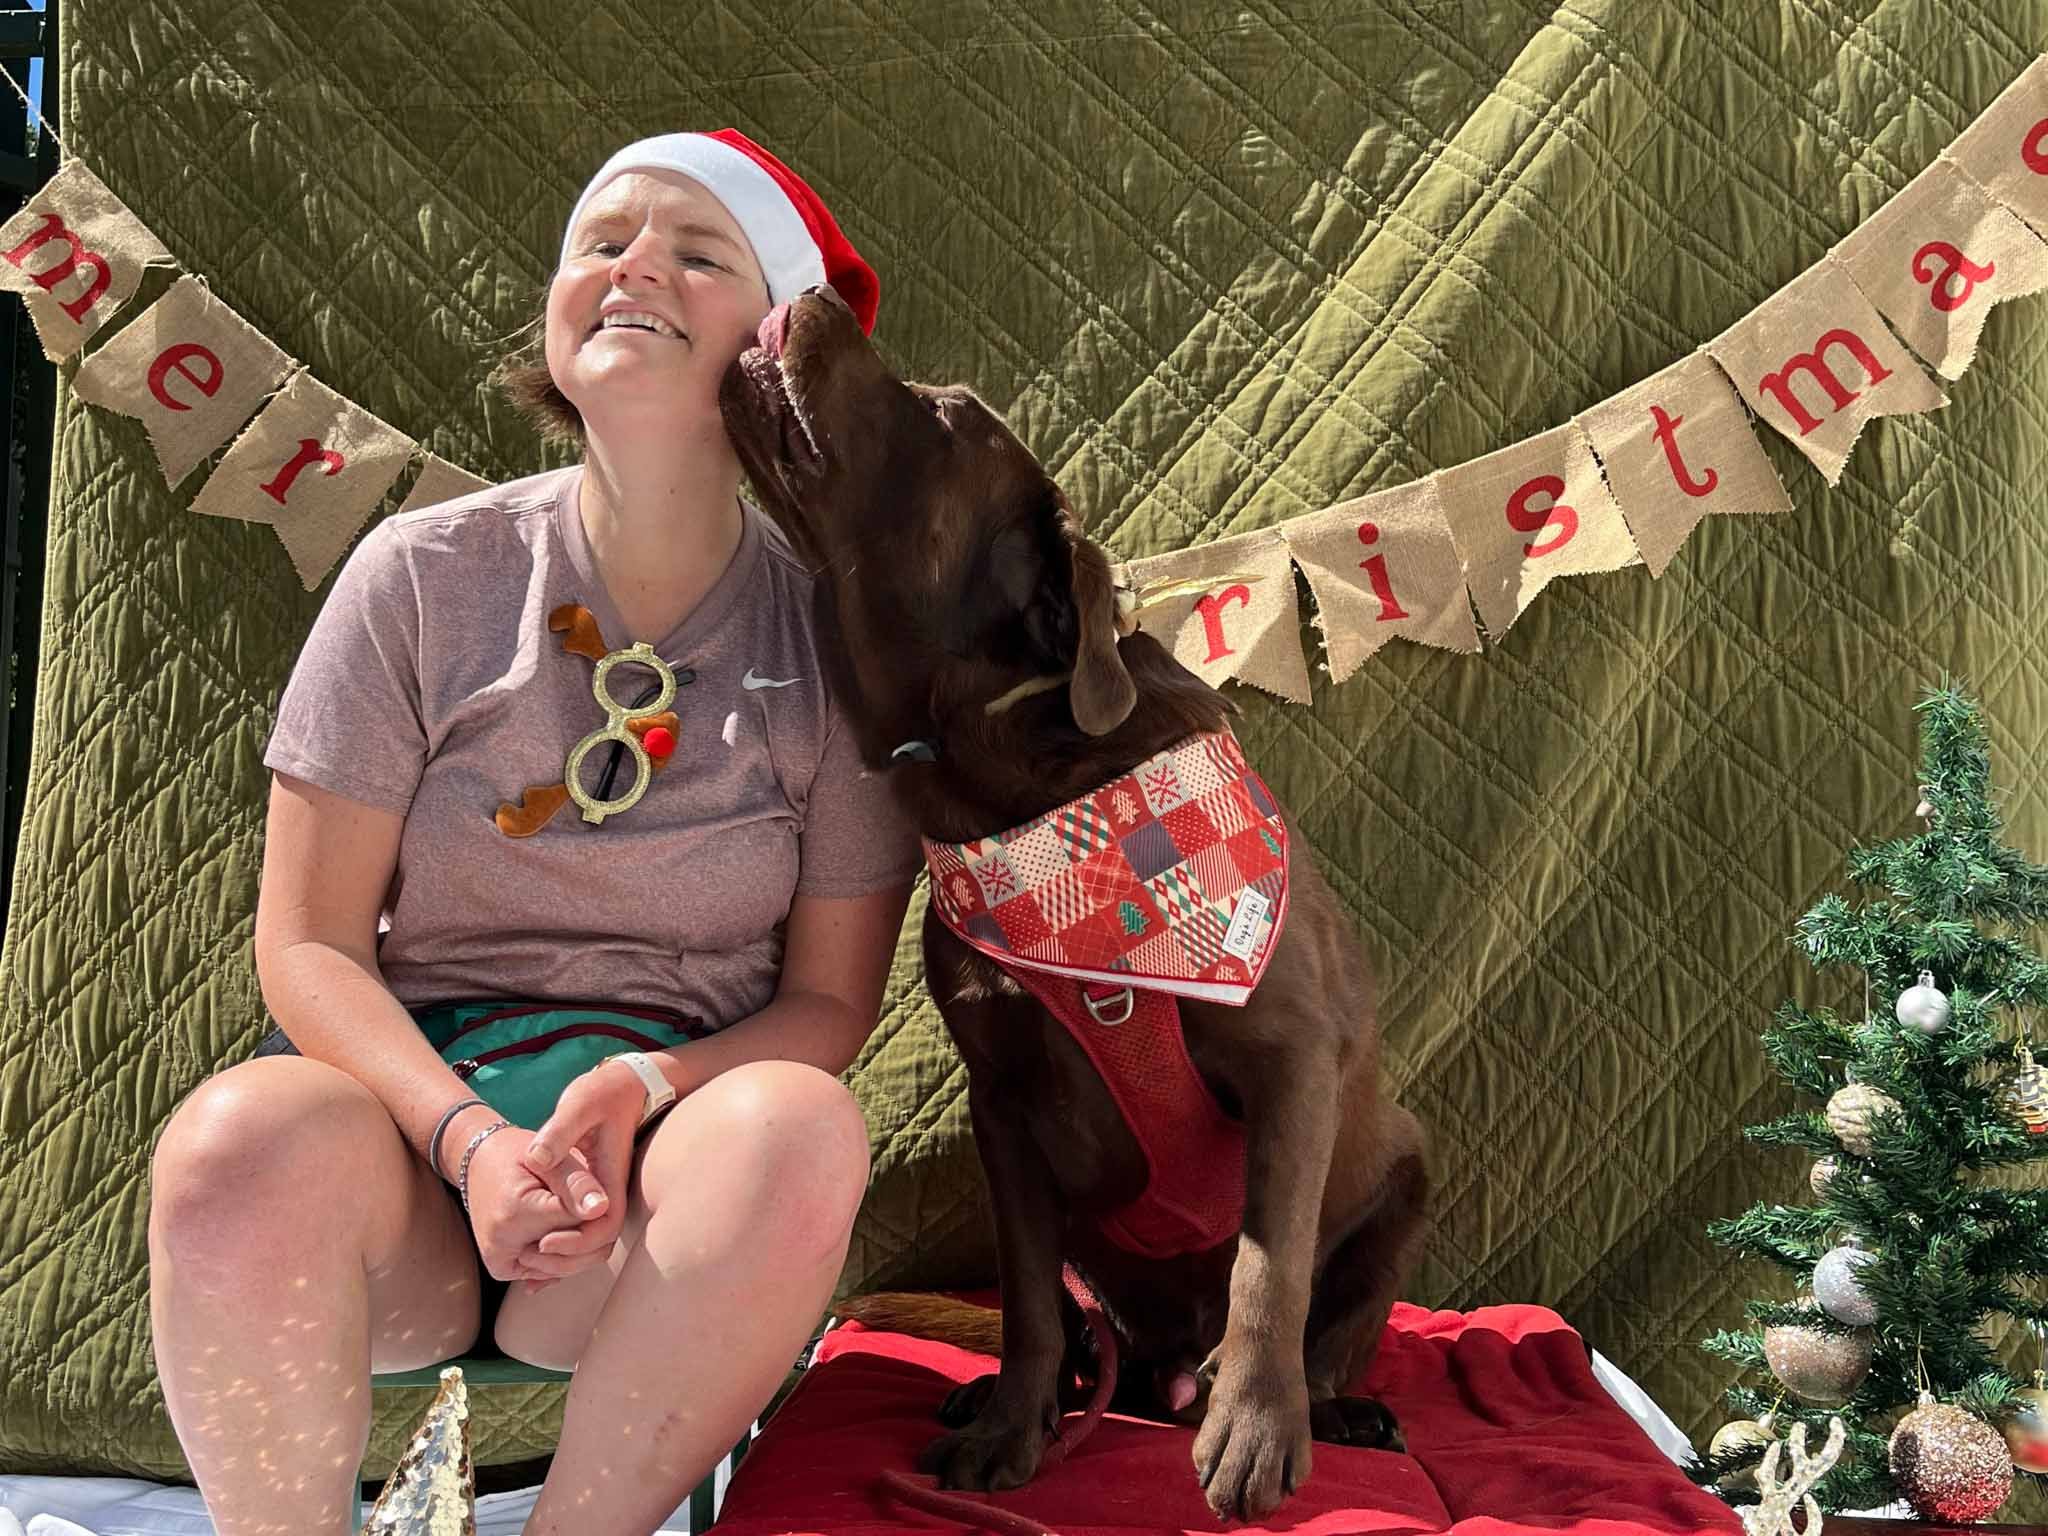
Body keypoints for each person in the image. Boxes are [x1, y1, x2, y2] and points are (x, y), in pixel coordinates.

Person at [146, 131, 918, 1536]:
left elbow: (828, 1003)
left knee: (798, 1126)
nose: (635, 266)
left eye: (698, 252)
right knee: (231, 1142)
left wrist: (636, 1087)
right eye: (602, 242)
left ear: (777, 345)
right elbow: (309, 945)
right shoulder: (421, 580)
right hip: (416, 1165)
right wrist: (465, 1143)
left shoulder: (836, 638)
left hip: (653, 1198)